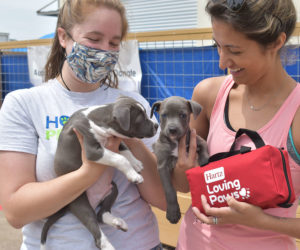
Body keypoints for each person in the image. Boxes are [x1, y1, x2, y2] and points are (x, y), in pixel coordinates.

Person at [0, 0, 166, 249]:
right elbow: (16, 212)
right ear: (63, 37)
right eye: (93, 39)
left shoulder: (132, 105)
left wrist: (129, 135)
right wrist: (89, 172)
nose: (104, 51)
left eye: (114, 43)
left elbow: (163, 198)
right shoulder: (24, 104)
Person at [173, 0, 300, 249]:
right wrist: (181, 168)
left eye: (235, 50)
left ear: (276, 42)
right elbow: (182, 185)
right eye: (217, 46)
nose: (222, 62)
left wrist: (262, 221)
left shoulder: (295, 112)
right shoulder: (207, 95)